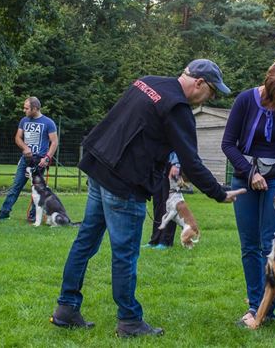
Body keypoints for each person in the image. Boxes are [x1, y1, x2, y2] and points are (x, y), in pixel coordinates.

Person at [50, 59, 246, 338]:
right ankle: (129, 321)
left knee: (85, 242)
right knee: (125, 254)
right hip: (124, 182)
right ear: (199, 83)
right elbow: (191, 162)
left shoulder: (149, 81)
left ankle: (66, 308)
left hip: (98, 164)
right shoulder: (178, 108)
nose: (211, 98)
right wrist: (219, 193)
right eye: (212, 92)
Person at [221, 58, 275, 328]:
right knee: (248, 245)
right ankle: (254, 305)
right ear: (271, 85)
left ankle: (266, 310)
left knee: (268, 245)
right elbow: (228, 144)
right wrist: (249, 172)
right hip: (245, 178)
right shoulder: (245, 100)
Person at [0, 97, 58, 221]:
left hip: (40, 161)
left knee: (37, 190)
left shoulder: (49, 123)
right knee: (16, 186)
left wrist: (47, 158)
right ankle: (4, 212)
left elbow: (54, 142)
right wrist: (25, 148)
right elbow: (18, 138)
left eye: (26, 108)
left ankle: (33, 216)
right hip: (25, 160)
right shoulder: (24, 121)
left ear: (35, 108)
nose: (24, 110)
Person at [144, 152, 181, 250]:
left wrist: (176, 164)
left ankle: (166, 241)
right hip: (159, 164)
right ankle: (155, 240)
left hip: (171, 164)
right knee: (158, 204)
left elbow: (178, 143)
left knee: (169, 205)